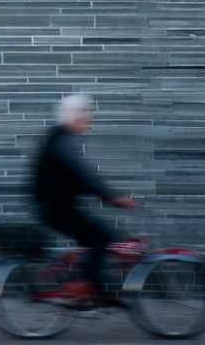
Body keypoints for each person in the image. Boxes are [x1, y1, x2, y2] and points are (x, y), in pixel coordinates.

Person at [33, 93, 140, 308]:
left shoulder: (61, 138)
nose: (89, 116)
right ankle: (87, 288)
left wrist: (107, 197)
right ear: (72, 115)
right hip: (56, 209)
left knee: (93, 243)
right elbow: (83, 174)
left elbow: (77, 179)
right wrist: (113, 197)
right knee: (104, 237)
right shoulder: (62, 142)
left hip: (57, 207)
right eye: (85, 112)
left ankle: (88, 287)